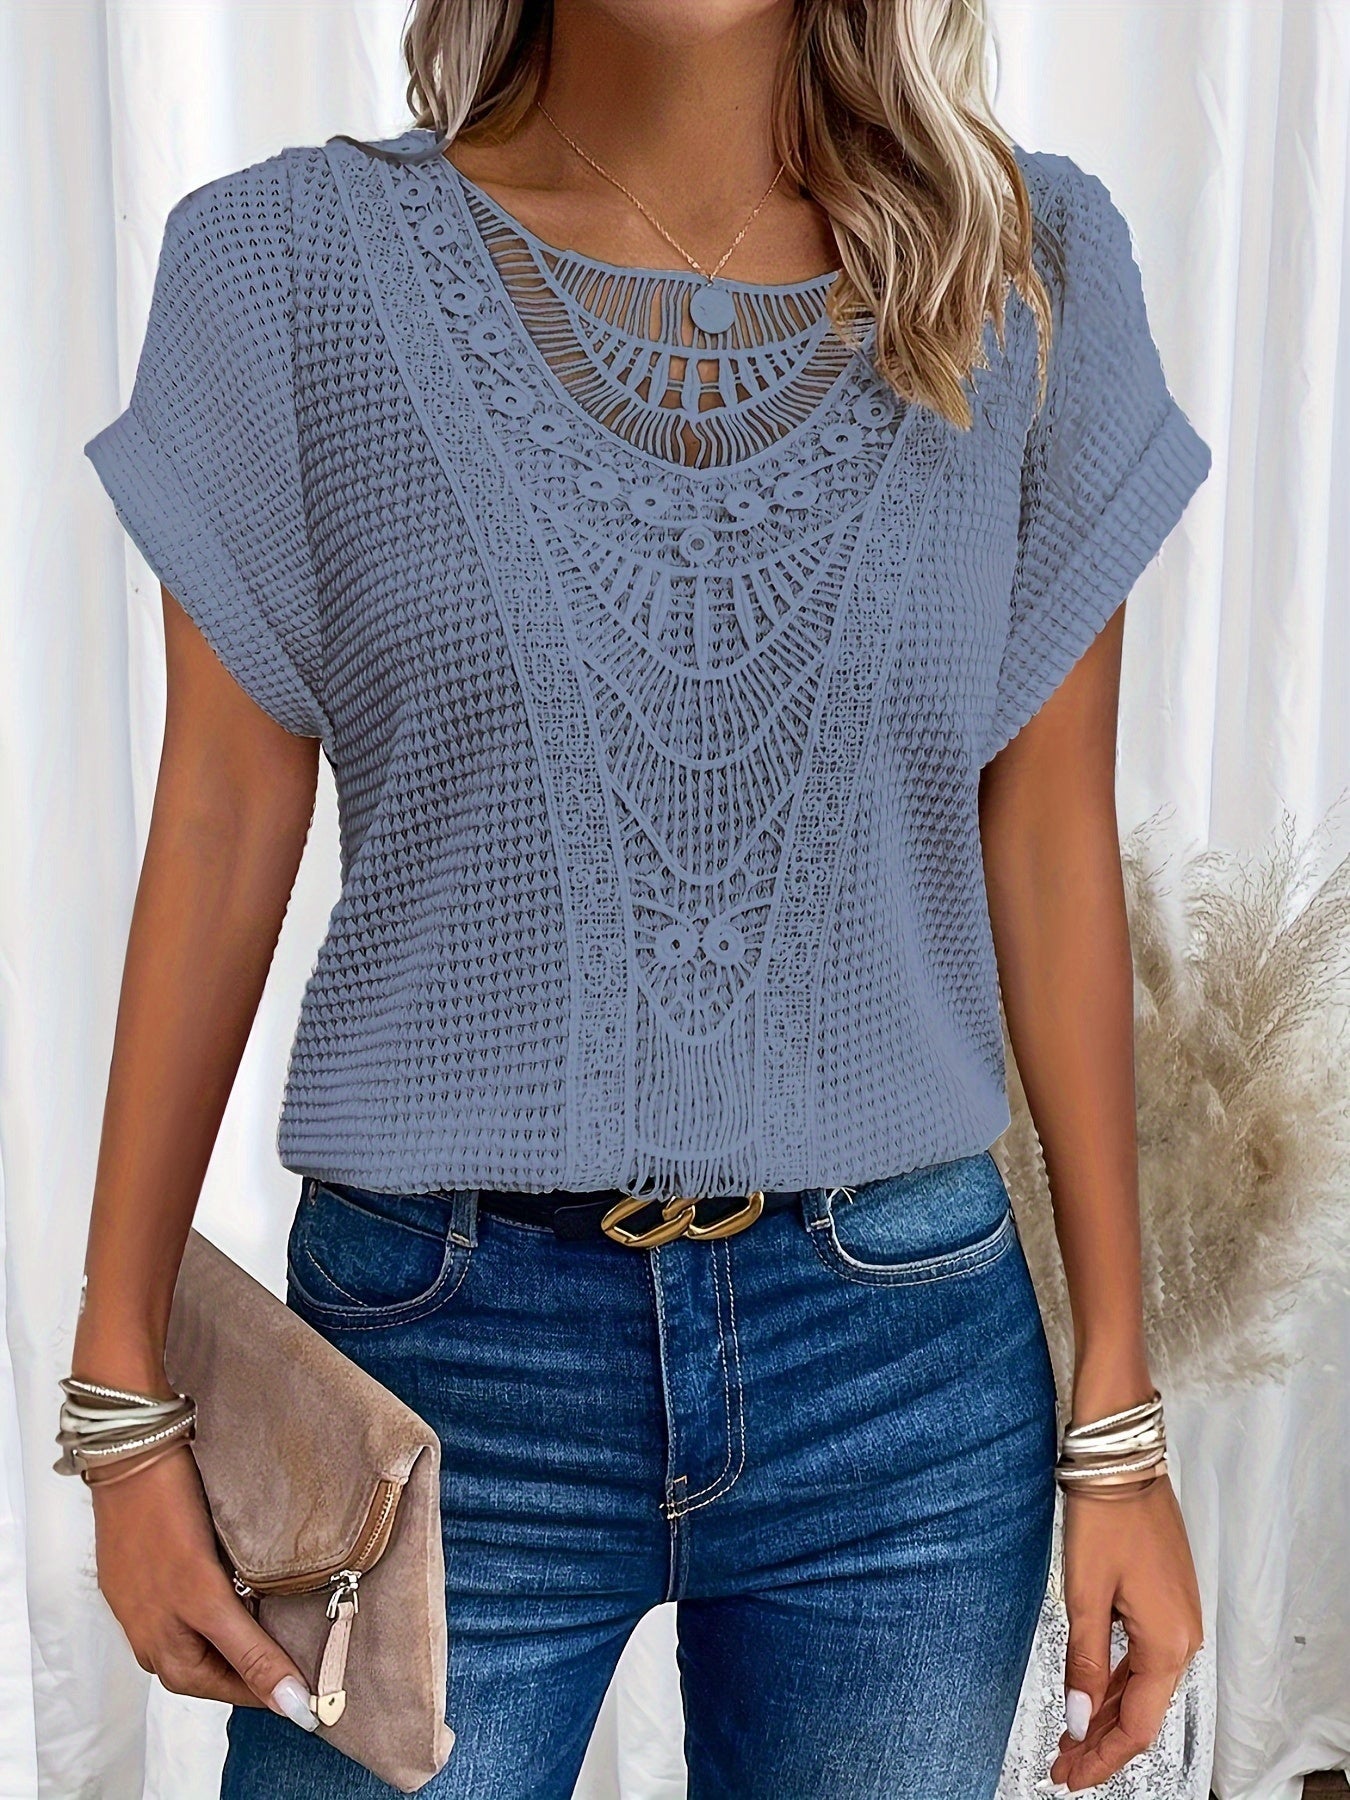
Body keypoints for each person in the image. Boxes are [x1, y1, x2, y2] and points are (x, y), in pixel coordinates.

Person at [72, 1, 1211, 1795]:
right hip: (434, 1372)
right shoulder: (285, 268)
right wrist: (121, 1393)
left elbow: (1050, 840)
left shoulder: (1028, 265)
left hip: (903, 1373)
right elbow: (216, 823)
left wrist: (1117, 1424)